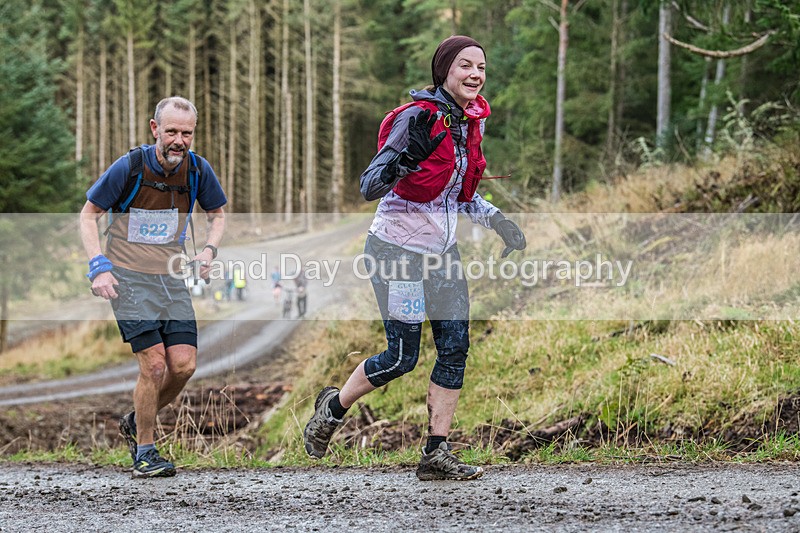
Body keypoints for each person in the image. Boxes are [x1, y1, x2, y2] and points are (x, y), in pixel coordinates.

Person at [303, 36, 526, 480]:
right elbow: (370, 185)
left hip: (442, 255)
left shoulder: (467, 124)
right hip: (396, 252)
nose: (476, 74)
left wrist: (499, 220)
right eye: (465, 65)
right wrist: (405, 160)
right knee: (402, 356)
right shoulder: (416, 119)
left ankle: (436, 454)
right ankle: (332, 407)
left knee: (455, 347)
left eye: (482, 67)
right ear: (445, 69)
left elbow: (456, 194)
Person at [79, 96, 226, 478]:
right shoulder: (129, 167)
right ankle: (145, 450)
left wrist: (208, 251)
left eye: (187, 133)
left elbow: (218, 215)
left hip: (172, 278)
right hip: (127, 278)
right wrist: (99, 267)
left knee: (183, 365)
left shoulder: (197, 170)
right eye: (172, 131)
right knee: (155, 365)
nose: (179, 140)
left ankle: (135, 419)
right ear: (155, 128)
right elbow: (89, 214)